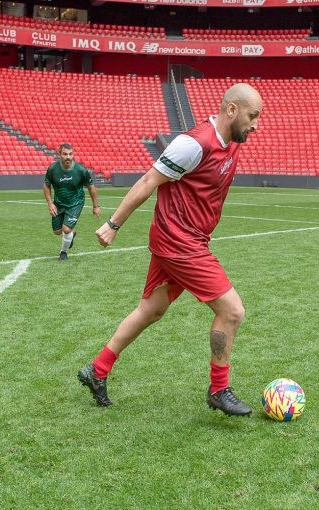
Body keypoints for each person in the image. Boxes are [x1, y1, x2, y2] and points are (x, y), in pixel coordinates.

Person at [77, 83, 263, 417]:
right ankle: (219, 389)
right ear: (231, 110)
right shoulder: (192, 144)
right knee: (232, 311)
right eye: (253, 116)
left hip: (187, 239)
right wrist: (113, 224)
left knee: (151, 309)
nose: (256, 125)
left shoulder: (231, 141)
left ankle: (97, 369)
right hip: (179, 242)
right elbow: (149, 181)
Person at [42, 143, 101, 260]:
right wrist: (50, 203)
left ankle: (63, 252)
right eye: (65, 154)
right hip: (58, 203)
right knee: (57, 231)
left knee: (66, 229)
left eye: (70, 154)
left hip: (75, 203)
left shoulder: (81, 170)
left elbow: (91, 187)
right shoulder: (53, 169)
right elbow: (46, 185)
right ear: (60, 154)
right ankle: (72, 234)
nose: (68, 157)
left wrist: (96, 206)